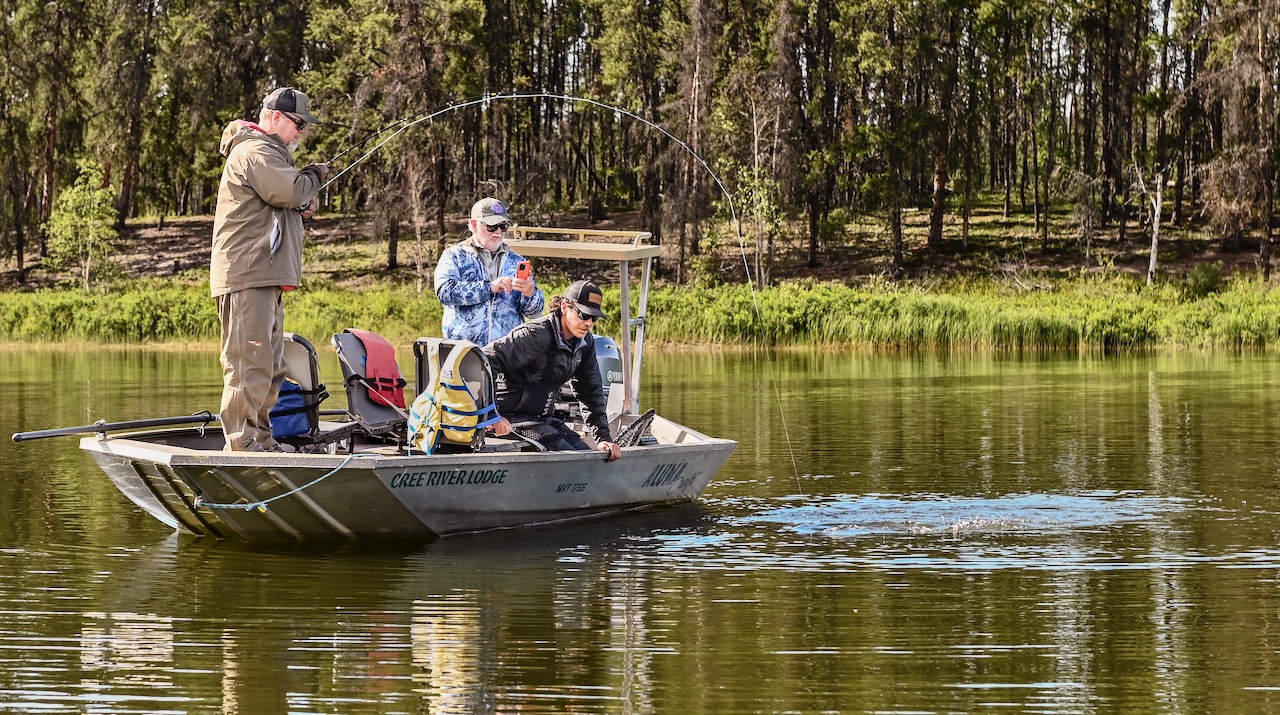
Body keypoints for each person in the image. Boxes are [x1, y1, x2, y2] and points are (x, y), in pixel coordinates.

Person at [211, 86, 329, 452]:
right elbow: (289, 192)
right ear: (275, 117)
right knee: (250, 365)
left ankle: (261, 439)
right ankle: (241, 445)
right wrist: (315, 175)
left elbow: (283, 205)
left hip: (265, 279)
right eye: (298, 124)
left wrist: (302, 210)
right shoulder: (255, 151)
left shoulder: (271, 156)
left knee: (271, 366)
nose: (301, 132)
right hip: (248, 277)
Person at [482, 280, 621, 462]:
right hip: (511, 421)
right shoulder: (534, 335)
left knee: (588, 458)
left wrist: (603, 437)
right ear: (564, 307)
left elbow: (590, 392)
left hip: (542, 421)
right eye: (583, 315)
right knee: (573, 462)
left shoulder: (585, 343)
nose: (588, 323)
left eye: (593, 318)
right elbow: (484, 361)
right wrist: (492, 415)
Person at [434, 197, 545, 345]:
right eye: (492, 226)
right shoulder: (454, 256)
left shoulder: (517, 261)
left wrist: (530, 293)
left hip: (507, 353)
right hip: (463, 352)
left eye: (503, 226)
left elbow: (535, 312)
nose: (498, 232)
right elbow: (445, 292)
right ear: (473, 225)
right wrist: (489, 288)